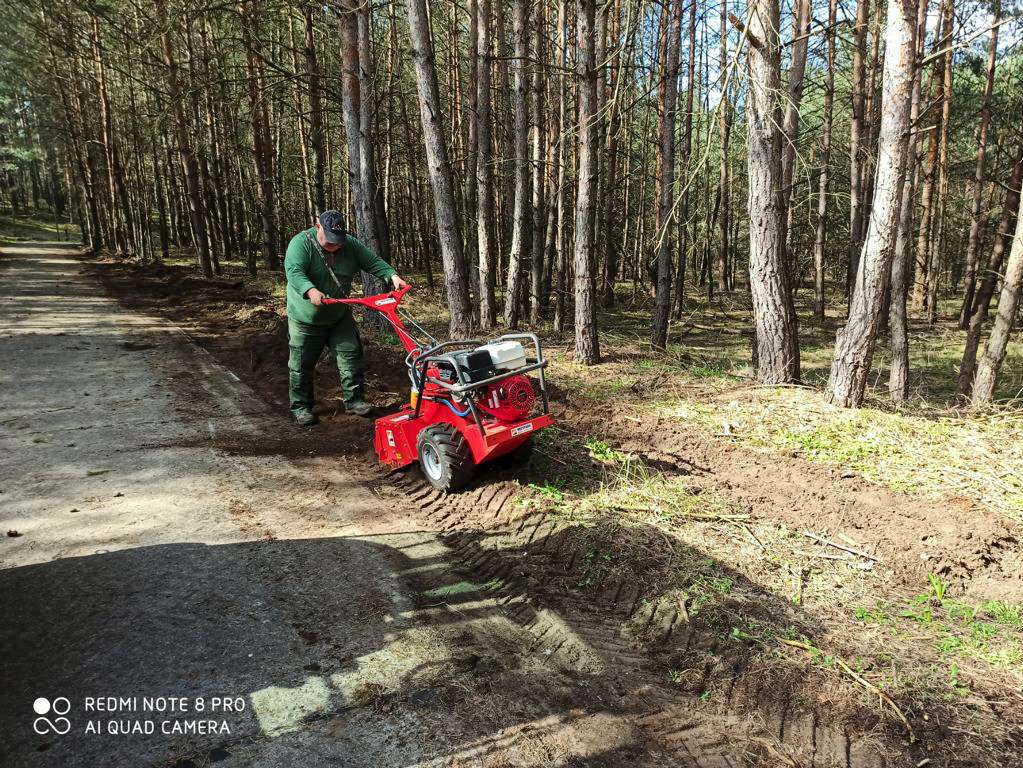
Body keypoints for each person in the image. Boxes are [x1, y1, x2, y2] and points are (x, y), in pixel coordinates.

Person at [283, 210, 407, 426]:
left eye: (337, 242)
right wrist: (310, 290)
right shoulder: (300, 244)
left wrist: (392, 275)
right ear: (317, 226)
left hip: (338, 315)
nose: (335, 246)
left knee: (351, 355)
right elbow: (294, 271)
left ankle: (355, 400)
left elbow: (372, 261)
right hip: (305, 319)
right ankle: (301, 407)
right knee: (301, 364)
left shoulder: (349, 244)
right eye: (330, 241)